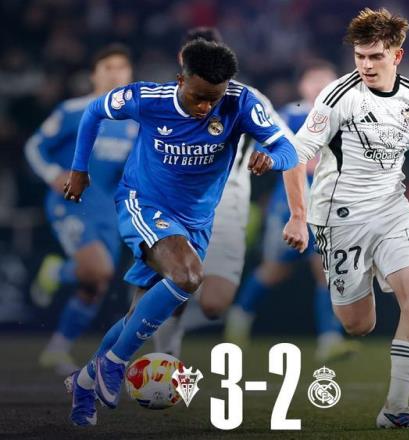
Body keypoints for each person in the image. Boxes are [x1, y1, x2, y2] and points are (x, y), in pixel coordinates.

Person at [63, 39, 298, 426]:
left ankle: (86, 381)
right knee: (188, 276)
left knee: (138, 315)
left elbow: (289, 149)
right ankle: (115, 363)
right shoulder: (147, 99)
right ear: (180, 79)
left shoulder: (240, 102)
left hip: (197, 221)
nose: (205, 108)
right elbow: (93, 111)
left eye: (213, 100)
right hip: (145, 203)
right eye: (198, 98)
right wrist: (79, 169)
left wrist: (272, 158)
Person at [282, 8, 409, 429]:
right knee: (358, 324)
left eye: (376, 56)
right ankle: (369, 270)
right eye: (360, 56)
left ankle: (396, 407)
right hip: (339, 218)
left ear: (397, 55)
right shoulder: (337, 96)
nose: (367, 65)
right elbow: (296, 155)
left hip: (392, 209)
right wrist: (298, 216)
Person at [152, 27, 298, 357]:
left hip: (228, 207)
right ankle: (166, 358)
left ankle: (163, 309)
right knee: (178, 281)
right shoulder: (161, 98)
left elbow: (287, 146)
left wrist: (272, 159)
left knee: (214, 304)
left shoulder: (248, 99)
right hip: (176, 205)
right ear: (183, 60)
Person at [224, 61, 360, 361]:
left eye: (326, 79)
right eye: (313, 79)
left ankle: (329, 340)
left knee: (326, 270)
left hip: (330, 206)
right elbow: (267, 151)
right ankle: (239, 318)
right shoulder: (290, 114)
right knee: (274, 270)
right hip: (289, 205)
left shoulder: (348, 116)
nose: (319, 84)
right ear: (302, 85)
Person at [24, 44, 136, 375]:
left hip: (107, 209)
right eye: (108, 67)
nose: (115, 74)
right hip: (71, 201)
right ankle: (55, 272)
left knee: (96, 285)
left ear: (130, 75)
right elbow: (35, 145)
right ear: (94, 75)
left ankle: (56, 349)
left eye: (121, 67)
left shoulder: (135, 121)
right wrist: (51, 174)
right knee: (97, 270)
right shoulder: (74, 110)